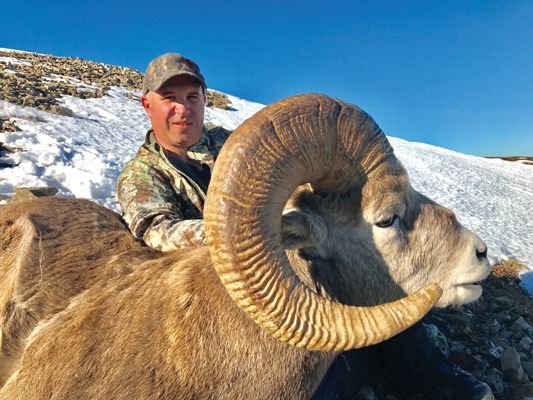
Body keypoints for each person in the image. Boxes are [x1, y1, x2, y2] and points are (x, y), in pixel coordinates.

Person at [116, 53, 494, 400]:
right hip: (210, 294)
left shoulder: (232, 145)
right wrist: (245, 232)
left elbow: (296, 186)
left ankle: (435, 379)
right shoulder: (142, 175)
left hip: (286, 260)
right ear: (148, 104)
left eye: (192, 96)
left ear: (203, 98)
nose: (183, 108)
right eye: (170, 98)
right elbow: (156, 234)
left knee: (372, 274)